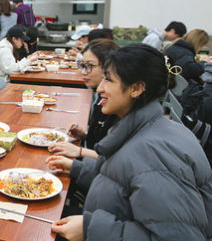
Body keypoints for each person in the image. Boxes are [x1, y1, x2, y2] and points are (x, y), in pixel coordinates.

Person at [47, 44, 212, 241]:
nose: (100, 88)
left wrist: (89, 227)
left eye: (108, 80)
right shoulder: (148, 127)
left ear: (136, 88)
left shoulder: (153, 154)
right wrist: (78, 168)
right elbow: (123, 181)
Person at [49, 39, 120, 159]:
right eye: (82, 65)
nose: (83, 72)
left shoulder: (117, 104)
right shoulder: (98, 96)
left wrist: (80, 151)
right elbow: (101, 141)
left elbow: (114, 161)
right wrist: (85, 135)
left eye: (90, 66)